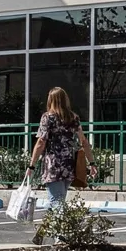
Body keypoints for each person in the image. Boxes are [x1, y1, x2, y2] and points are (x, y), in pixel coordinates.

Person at [27, 86, 83, 222]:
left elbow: (41, 142)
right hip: (69, 164)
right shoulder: (73, 117)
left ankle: (62, 230)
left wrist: (32, 165)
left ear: (51, 100)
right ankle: (52, 228)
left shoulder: (47, 117)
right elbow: (82, 139)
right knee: (59, 199)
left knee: (56, 201)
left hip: (53, 164)